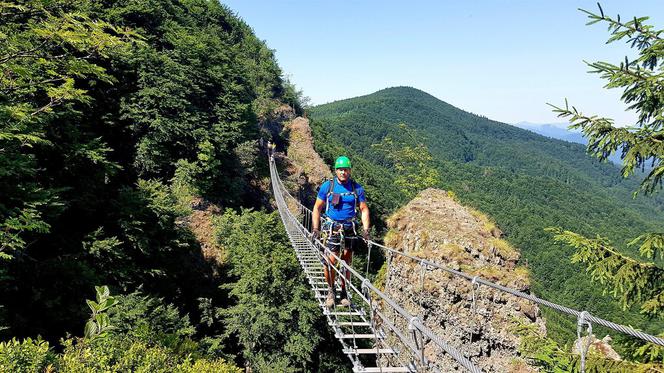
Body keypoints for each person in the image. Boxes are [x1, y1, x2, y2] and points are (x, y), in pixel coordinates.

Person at [311, 156, 370, 308]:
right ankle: (331, 291)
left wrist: (366, 230)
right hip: (332, 229)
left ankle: (344, 293)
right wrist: (316, 229)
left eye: (346, 169)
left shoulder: (357, 189)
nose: (343, 172)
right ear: (336, 171)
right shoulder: (327, 187)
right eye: (340, 169)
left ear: (350, 171)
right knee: (330, 262)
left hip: (349, 229)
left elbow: (363, 209)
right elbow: (317, 207)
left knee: (346, 262)